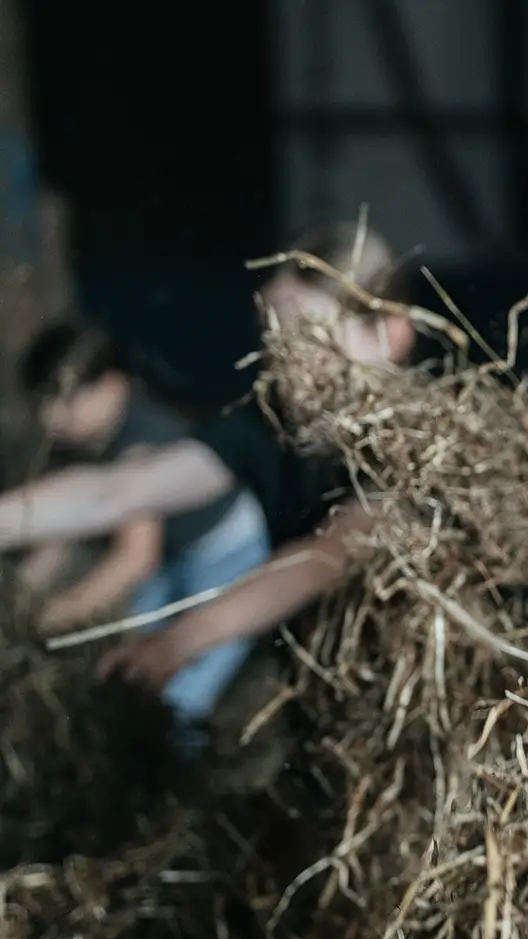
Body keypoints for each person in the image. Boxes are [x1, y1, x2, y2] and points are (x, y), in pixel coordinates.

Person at [0, 223, 415, 701]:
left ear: (391, 333)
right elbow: (117, 490)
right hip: (329, 692)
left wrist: (179, 642)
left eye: (309, 334)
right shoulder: (267, 426)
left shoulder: (414, 449)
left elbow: (327, 555)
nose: (285, 360)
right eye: (272, 336)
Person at [12, 320, 274, 745]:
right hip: (174, 551)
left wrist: (47, 620)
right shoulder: (81, 442)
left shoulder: (141, 444)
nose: (50, 418)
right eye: (43, 403)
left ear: (111, 385)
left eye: (63, 401)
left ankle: (180, 765)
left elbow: (135, 558)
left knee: (180, 676)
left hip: (226, 553)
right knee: (128, 649)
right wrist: (21, 592)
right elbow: (63, 530)